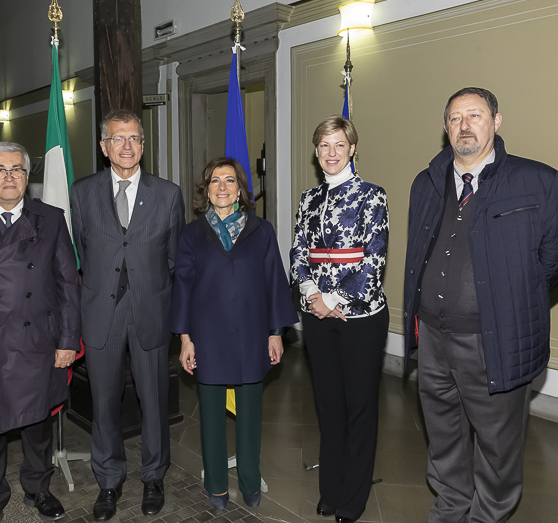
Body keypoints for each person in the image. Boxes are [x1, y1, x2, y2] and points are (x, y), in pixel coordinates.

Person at [404, 87, 558, 523]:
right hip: (433, 338)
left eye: (475, 115)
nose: (464, 125)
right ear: (445, 128)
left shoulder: (537, 181)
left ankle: (488, 516)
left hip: (493, 340)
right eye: (455, 118)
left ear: (496, 122)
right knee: (443, 436)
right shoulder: (426, 182)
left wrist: (513, 297)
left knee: (497, 446)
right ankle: (450, 507)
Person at [0, 142, 80, 523]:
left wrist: (68, 341)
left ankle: (39, 489)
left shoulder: (51, 218)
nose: (9, 177)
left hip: (37, 339)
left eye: (17, 169)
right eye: (0, 170)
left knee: (38, 425)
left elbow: (68, 284)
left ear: (27, 175)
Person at [70, 109, 185, 521]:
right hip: (101, 312)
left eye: (134, 138)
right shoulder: (82, 192)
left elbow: (174, 258)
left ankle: (154, 477)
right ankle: (108, 480)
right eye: (118, 138)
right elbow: (81, 252)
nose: (127, 145)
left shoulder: (168, 194)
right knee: (103, 404)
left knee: (154, 400)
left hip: (150, 310)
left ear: (143, 144)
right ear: (104, 147)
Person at [173, 157, 297, 510]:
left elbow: (275, 282)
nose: (222, 187)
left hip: (252, 335)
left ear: (241, 189)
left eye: (230, 180)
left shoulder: (261, 231)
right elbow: (182, 288)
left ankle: (249, 480)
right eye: (215, 181)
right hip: (207, 337)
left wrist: (276, 333)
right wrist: (185, 339)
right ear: (206, 190)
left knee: (250, 417)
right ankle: (215, 485)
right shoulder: (191, 234)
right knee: (211, 417)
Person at [290, 116, 389, 522]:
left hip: (360, 317)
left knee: (360, 407)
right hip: (317, 316)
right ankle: (330, 489)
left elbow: (374, 260)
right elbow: (299, 251)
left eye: (339, 145)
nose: (332, 153)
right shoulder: (308, 199)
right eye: (324, 146)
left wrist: (332, 298)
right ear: (316, 152)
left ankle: (353, 496)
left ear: (352, 149)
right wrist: (311, 293)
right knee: (329, 406)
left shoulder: (372, 195)